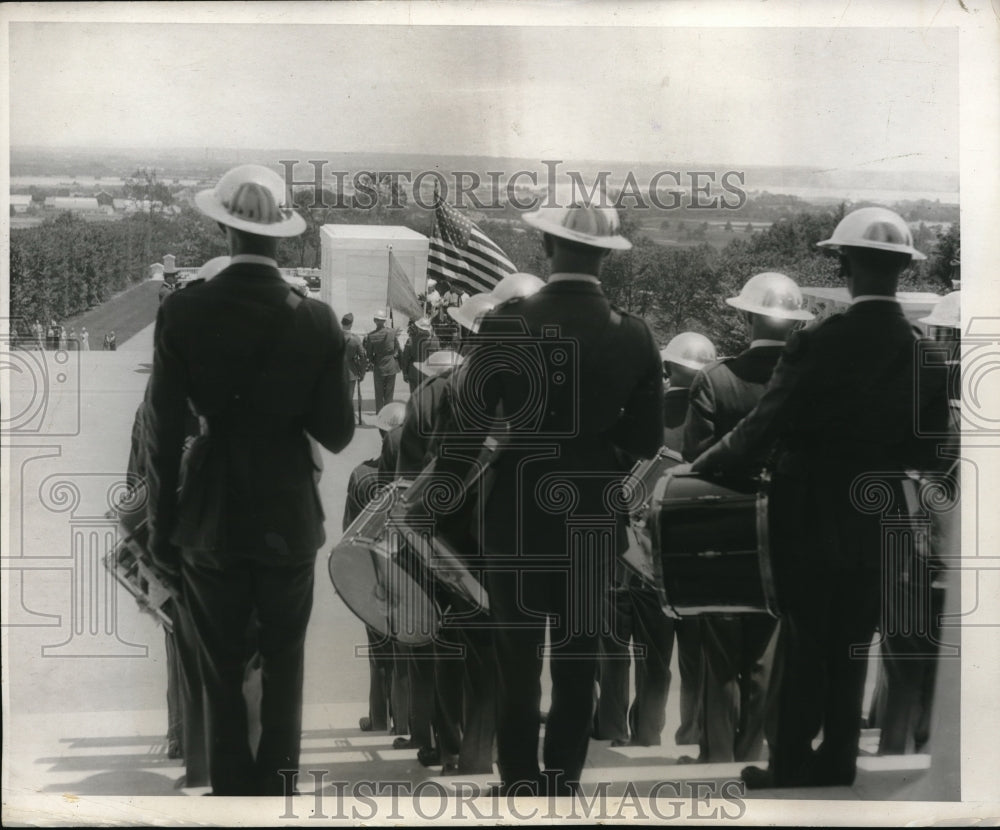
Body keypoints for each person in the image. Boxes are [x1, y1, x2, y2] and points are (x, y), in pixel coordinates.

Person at [689, 207, 948, 788]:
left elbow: (762, 427)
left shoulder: (818, 342)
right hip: (877, 515)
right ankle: (837, 760)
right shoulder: (922, 353)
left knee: (805, 638)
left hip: (806, 511)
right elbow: (932, 452)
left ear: (846, 265)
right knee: (855, 637)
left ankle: (790, 762)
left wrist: (697, 471)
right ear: (902, 271)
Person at [144, 164, 355, 796]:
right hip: (288, 512)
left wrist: (161, 526)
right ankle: (278, 794)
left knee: (221, 669)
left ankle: (232, 797)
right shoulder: (316, 319)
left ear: (221, 227)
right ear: (283, 236)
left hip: (210, 512)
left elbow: (161, 431)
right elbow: (339, 433)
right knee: (285, 667)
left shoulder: (182, 310)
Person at [448, 203, 663, 796]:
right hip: (591, 516)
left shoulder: (504, 323)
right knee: (577, 662)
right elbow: (646, 440)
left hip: (516, 515)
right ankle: (563, 781)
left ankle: (518, 780)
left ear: (546, 247)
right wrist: (591, 433)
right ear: (606, 256)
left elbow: (467, 435)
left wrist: (439, 507)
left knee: (517, 662)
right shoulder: (635, 334)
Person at [682, 273, 813, 765]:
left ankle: (716, 759)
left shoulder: (714, 379)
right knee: (766, 653)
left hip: (722, 529)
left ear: (746, 316)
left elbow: (695, 458)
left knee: (718, 651)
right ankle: (751, 754)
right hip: (785, 531)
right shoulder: (806, 380)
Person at [595, 330, 717, 750]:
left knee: (633, 649)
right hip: (695, 548)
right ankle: (689, 732)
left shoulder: (639, 414)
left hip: (633, 550)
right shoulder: (716, 414)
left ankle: (631, 728)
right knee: (689, 653)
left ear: (667, 368)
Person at [870, 290, 961, 755]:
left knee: (906, 653)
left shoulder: (925, 398)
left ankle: (898, 743)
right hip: (953, 553)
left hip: (917, 543)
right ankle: (921, 741)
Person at [344, 402, 408, 735]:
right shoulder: (419, 476)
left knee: (378, 649)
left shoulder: (361, 474)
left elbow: (349, 535)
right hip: (410, 574)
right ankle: (409, 718)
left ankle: (380, 716)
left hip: (372, 573)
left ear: (382, 433)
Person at [363, 309, 402, 413]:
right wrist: (394, 354)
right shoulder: (392, 332)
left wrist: (374, 360)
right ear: (384, 321)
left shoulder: (371, 336)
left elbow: (369, 354)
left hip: (379, 366)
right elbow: (397, 348)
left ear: (375, 320)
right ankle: (388, 413)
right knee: (389, 392)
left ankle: (380, 413)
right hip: (391, 365)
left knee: (379, 392)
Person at [400, 317, 439, 393]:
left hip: (414, 373)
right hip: (429, 373)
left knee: (415, 398)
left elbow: (405, 358)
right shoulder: (436, 341)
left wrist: (405, 373)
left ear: (418, 328)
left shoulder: (411, 340)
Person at [342, 313, 367, 424]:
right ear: (351, 324)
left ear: (342, 323)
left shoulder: (334, 335)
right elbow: (363, 356)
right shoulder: (355, 339)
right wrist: (362, 373)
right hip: (351, 372)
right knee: (349, 397)